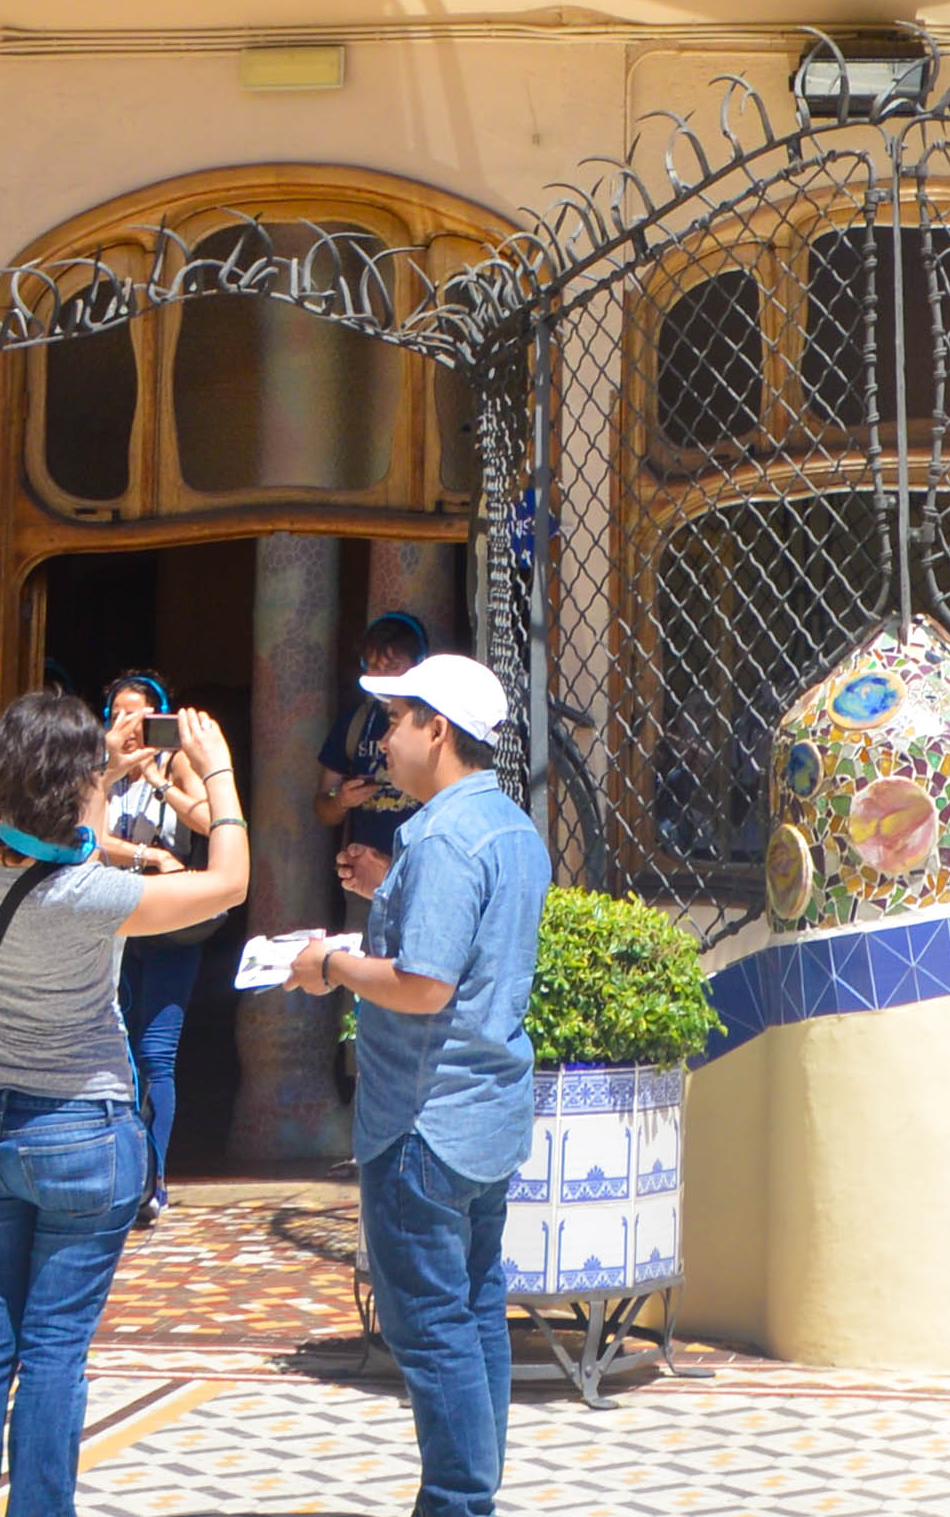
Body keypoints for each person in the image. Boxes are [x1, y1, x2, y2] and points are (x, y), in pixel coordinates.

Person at [0, 679, 246, 1517]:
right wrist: (217, 777)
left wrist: (92, 767)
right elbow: (229, 884)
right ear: (73, 789)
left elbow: (60, 835)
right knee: (55, 1350)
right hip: (82, 1131)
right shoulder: (93, 896)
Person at [288, 652, 549, 1517]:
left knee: (432, 1331)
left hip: (422, 1122)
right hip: (485, 1114)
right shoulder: (510, 828)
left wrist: (331, 963)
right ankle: (473, 1496)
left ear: (438, 730)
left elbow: (426, 986)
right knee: (475, 1314)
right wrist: (389, 890)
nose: (383, 740)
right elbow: (468, 957)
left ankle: (457, 1503)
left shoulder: (439, 835)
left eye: (395, 721)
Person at [89, 669, 215, 1222]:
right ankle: (119, 1171)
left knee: (156, 1052)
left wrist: (159, 781)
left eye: (139, 714)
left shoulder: (173, 762)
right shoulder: (95, 771)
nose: (128, 724)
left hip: (168, 926)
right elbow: (84, 839)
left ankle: (154, 1177)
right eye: (118, 714)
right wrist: (147, 857)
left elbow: (211, 820)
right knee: (112, 1050)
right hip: (112, 920)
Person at [318, 607, 434, 877]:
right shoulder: (353, 723)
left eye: (392, 667)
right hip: (364, 878)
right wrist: (341, 800)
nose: (381, 677)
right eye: (373, 667)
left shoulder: (435, 722)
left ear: (419, 664)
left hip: (420, 873)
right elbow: (323, 807)